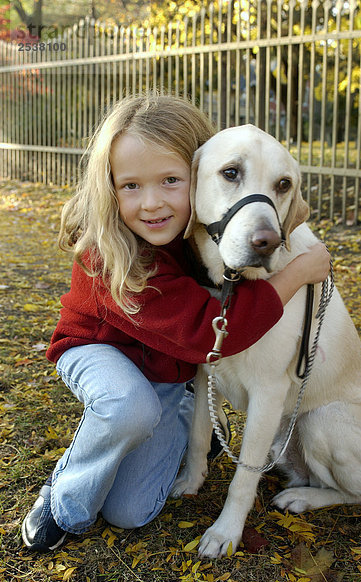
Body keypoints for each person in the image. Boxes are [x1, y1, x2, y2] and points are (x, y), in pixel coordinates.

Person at [22, 93, 330, 553]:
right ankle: (62, 503)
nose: (151, 204)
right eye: (130, 186)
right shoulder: (114, 254)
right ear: (109, 187)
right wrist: (296, 274)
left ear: (198, 178)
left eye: (170, 180)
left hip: (167, 371)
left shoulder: (202, 233)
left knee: (131, 512)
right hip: (99, 350)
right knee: (128, 406)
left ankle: (177, 414)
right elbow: (212, 333)